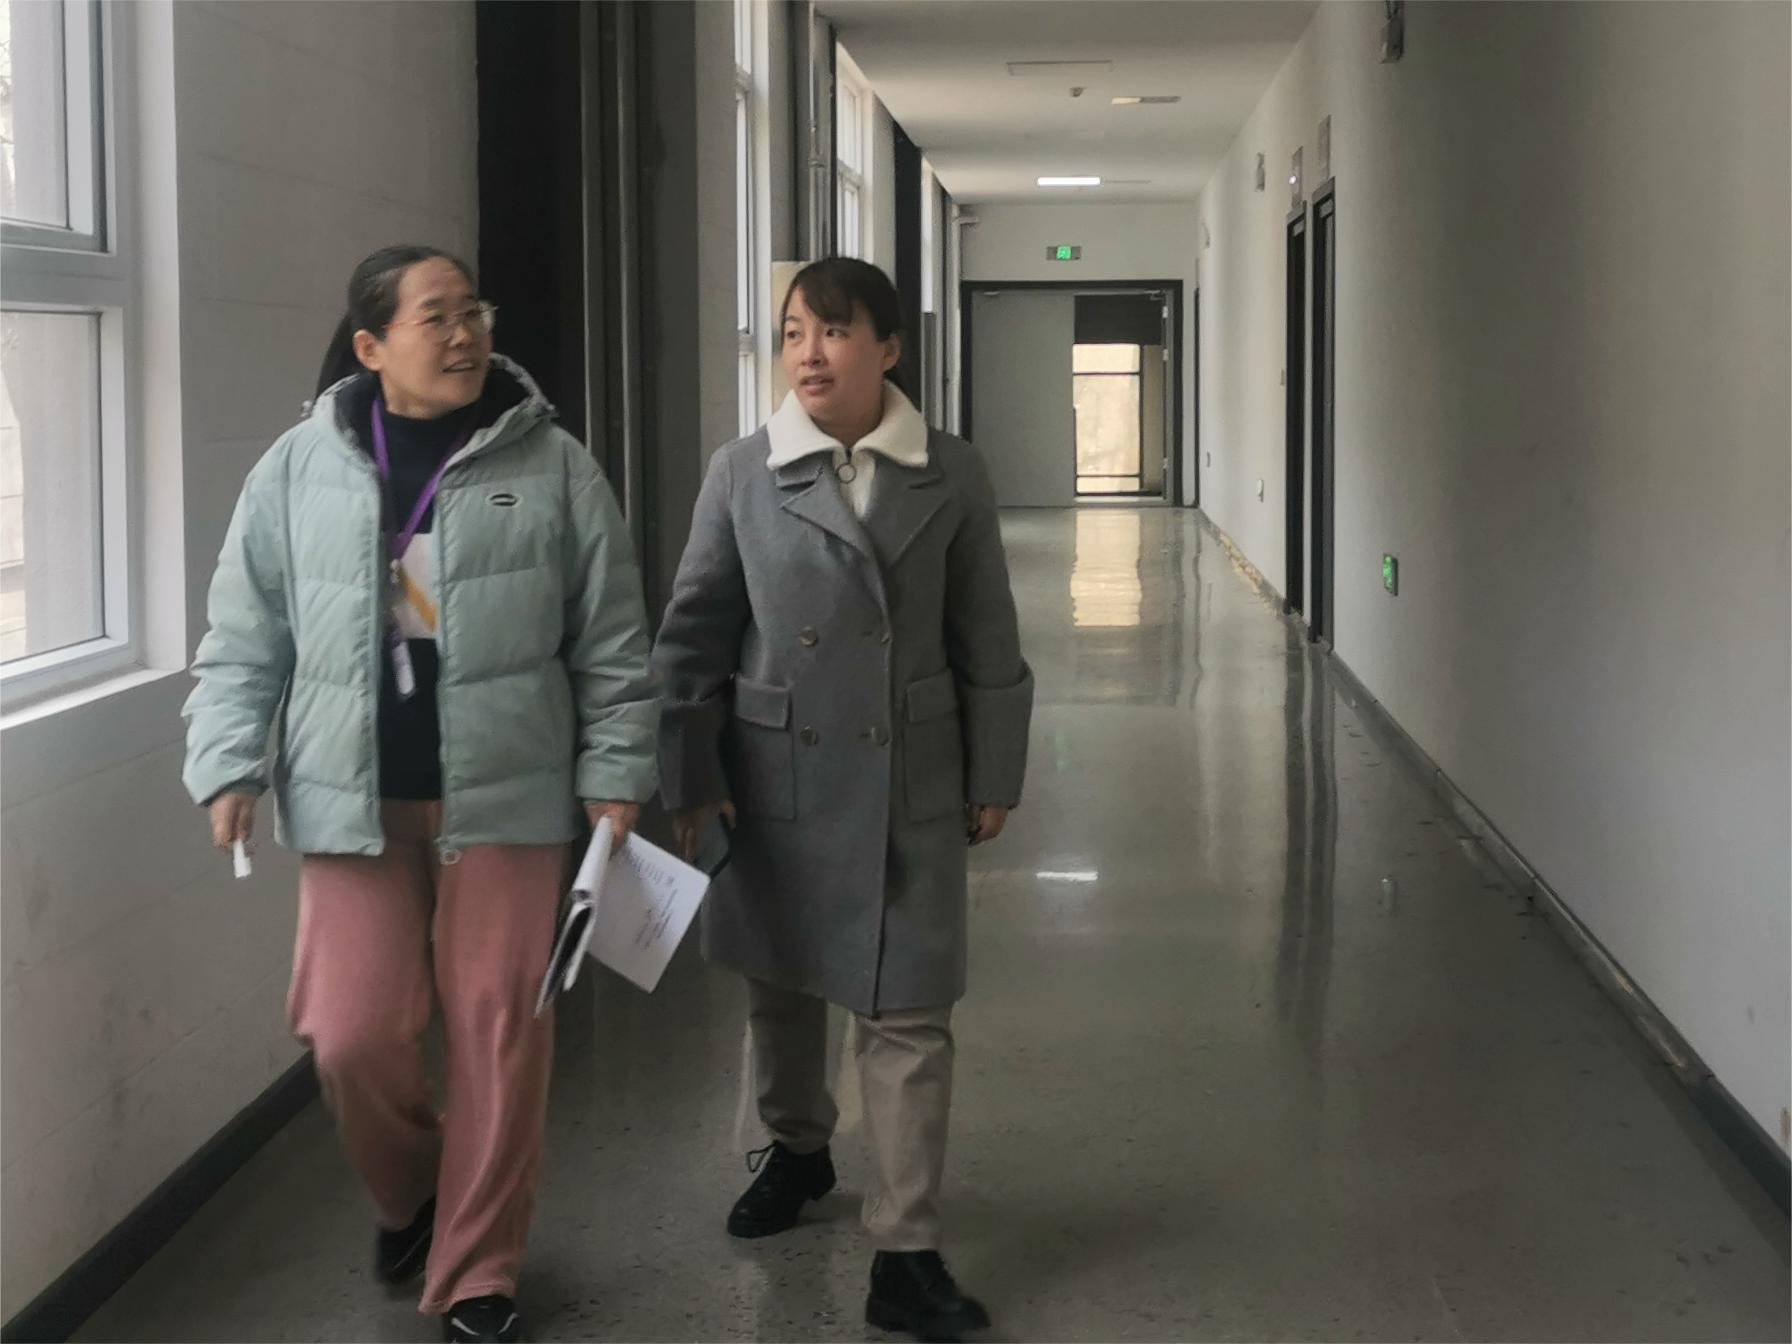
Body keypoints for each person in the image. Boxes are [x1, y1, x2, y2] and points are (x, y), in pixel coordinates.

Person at [182, 245, 658, 1344]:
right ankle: (410, 1198)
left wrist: (616, 771)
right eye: (435, 317)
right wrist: (228, 762)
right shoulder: (297, 469)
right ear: (370, 345)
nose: (464, 334)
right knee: (348, 1032)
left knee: (500, 1031)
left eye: (473, 312)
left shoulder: (552, 464)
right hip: (352, 799)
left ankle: (480, 1270)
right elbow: (245, 631)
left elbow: (611, 638)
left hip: (509, 795)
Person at [652, 257, 1033, 1341]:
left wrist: (994, 771)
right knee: (781, 988)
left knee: (910, 1014)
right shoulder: (742, 472)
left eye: (832, 331)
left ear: (888, 347)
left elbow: (986, 629)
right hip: (775, 769)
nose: (808, 353)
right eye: (791, 334)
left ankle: (905, 1251)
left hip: (909, 773)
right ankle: (797, 1149)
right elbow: (694, 634)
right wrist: (690, 777)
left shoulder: (950, 472)